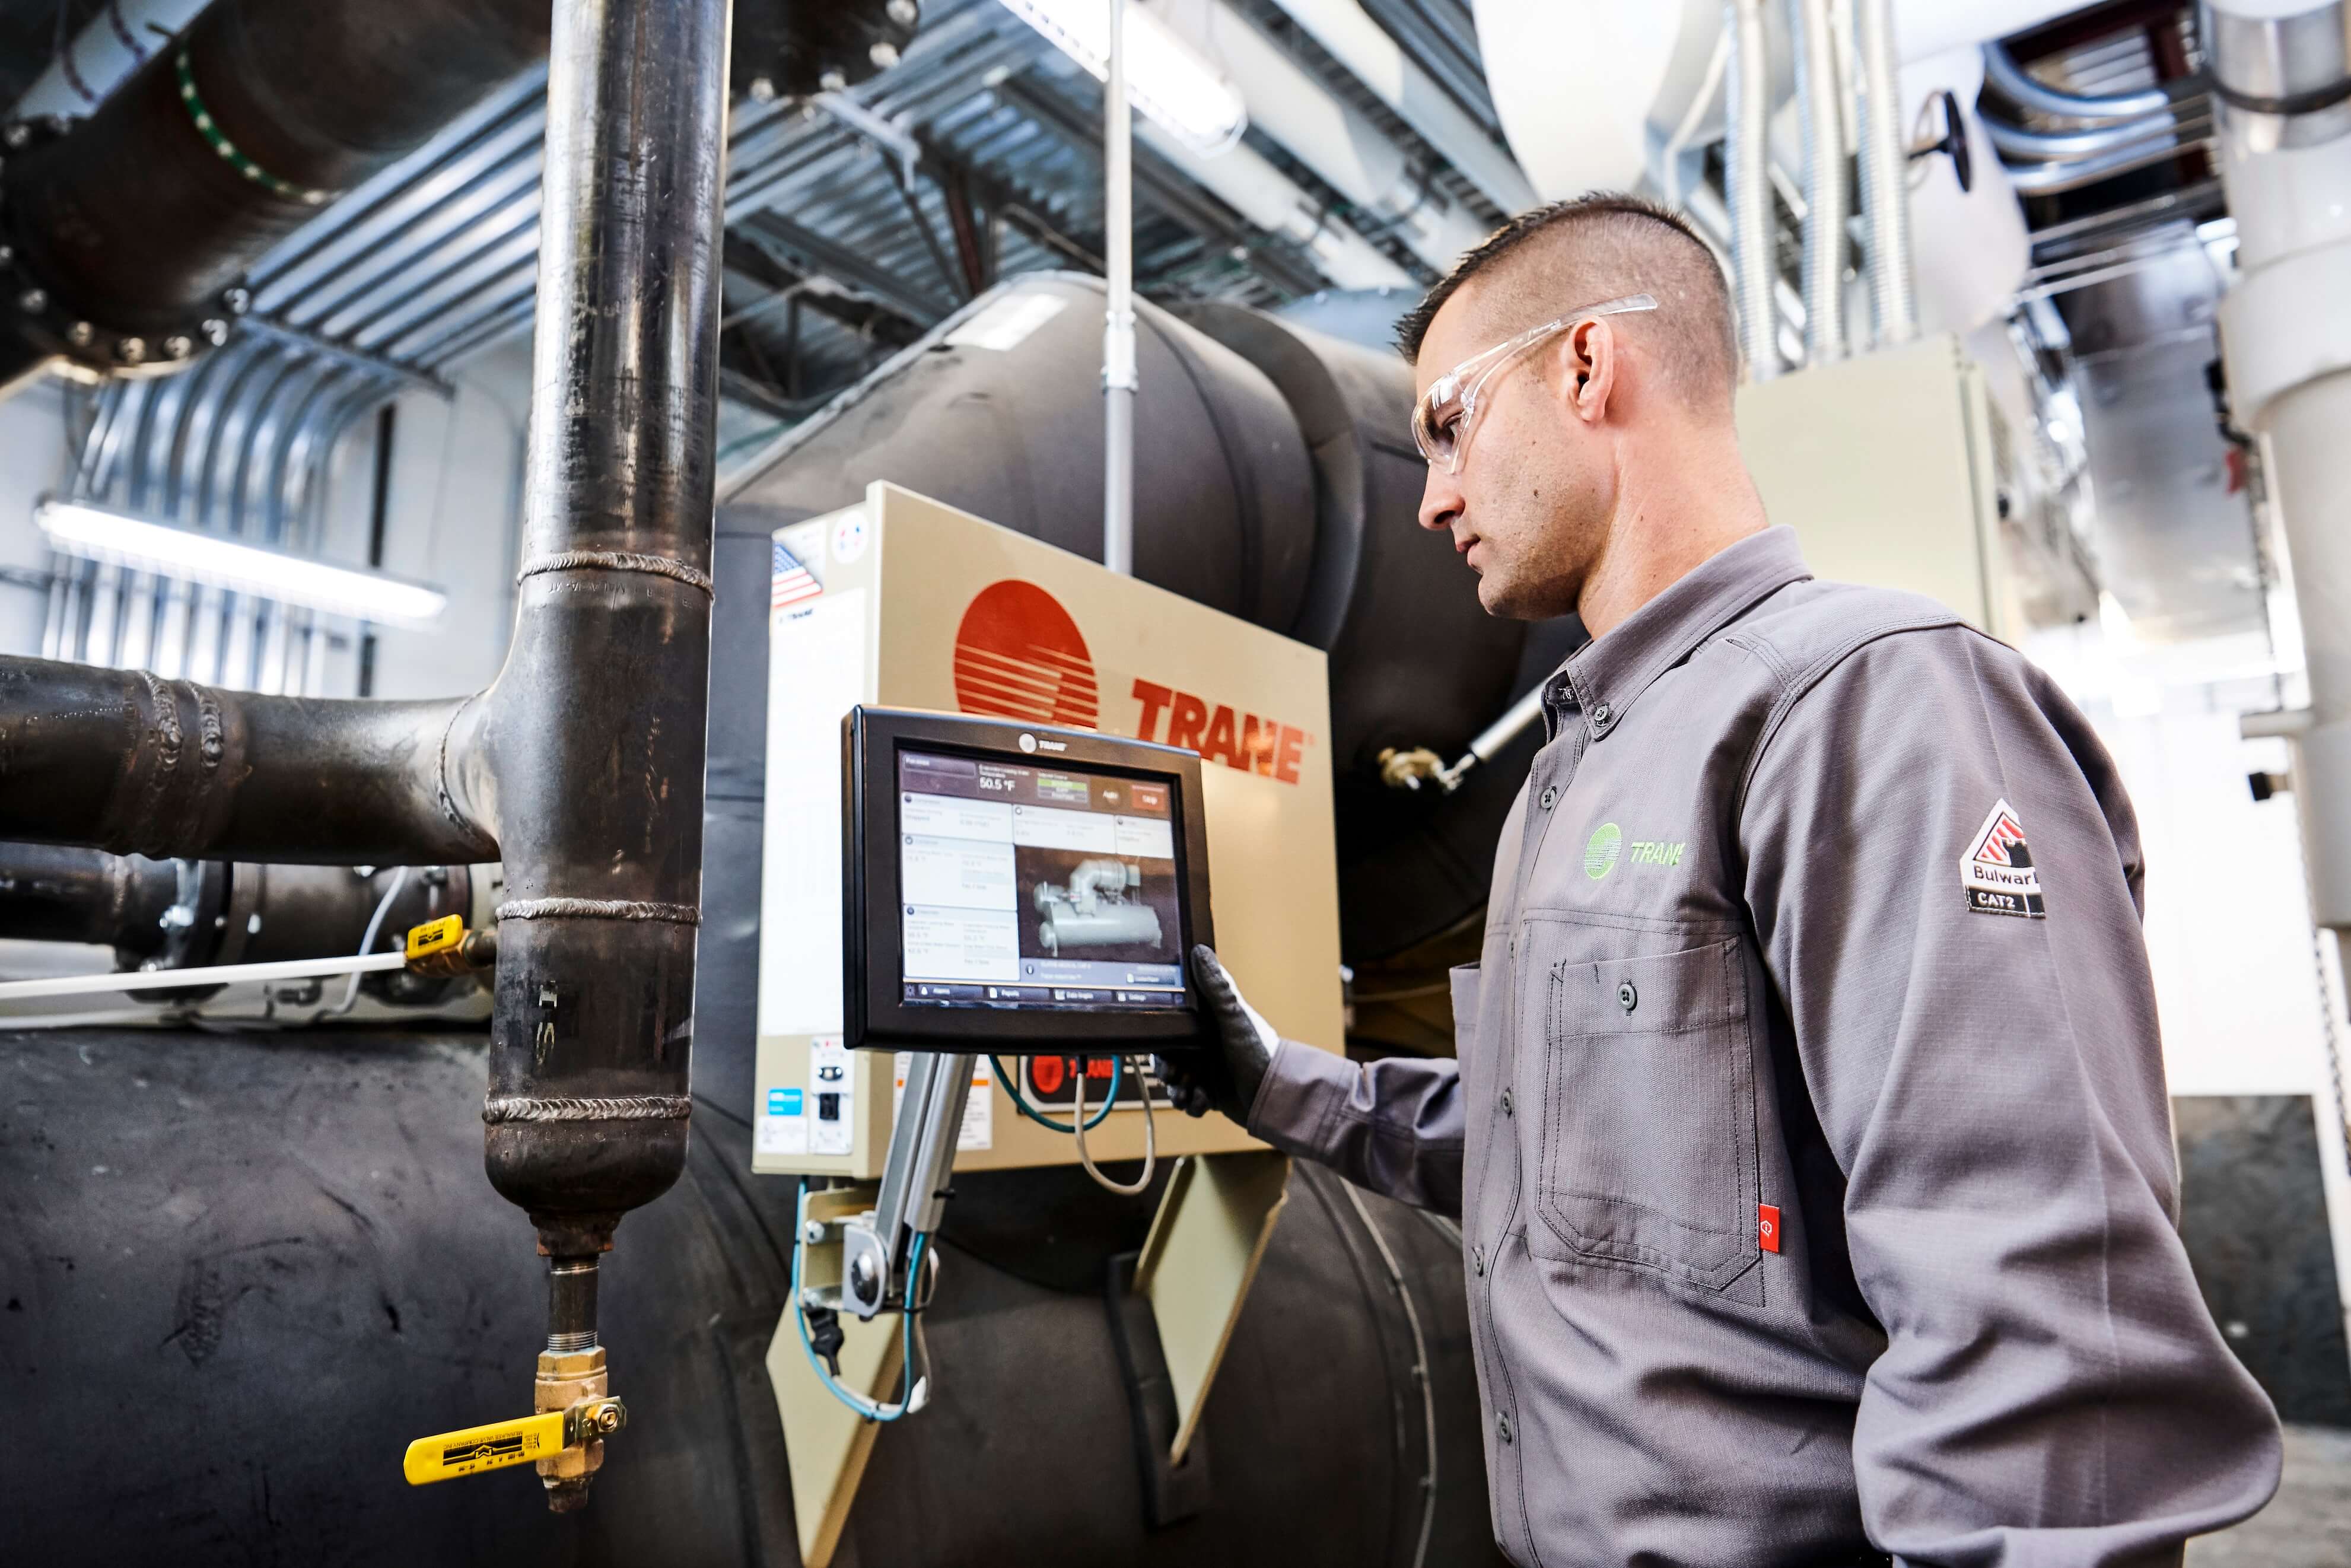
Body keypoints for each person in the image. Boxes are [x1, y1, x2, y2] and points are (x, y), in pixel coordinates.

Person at [1161, 193, 2281, 1567]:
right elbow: (1570, 1149)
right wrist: (1280, 1082)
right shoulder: (1572, 774)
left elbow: (2038, 1322)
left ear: (1586, 366)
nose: (1432, 493)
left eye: (1449, 424)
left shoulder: (1867, 703)